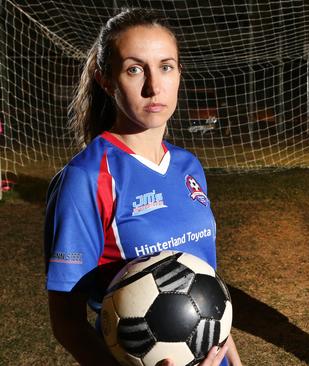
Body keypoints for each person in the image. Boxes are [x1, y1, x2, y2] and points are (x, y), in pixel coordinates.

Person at [43, 8, 241, 366]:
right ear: (106, 80)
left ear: (180, 73)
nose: (154, 86)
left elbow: (207, 290)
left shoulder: (188, 166)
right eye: (135, 69)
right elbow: (67, 323)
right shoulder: (87, 178)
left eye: (166, 66)